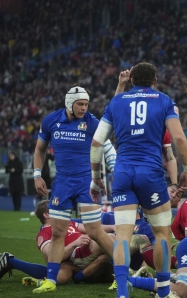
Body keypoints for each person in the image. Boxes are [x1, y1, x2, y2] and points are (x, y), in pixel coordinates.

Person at [90, 62, 187, 298]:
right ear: (155, 81)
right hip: (151, 174)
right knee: (161, 234)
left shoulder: (116, 101)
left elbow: (97, 143)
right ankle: (164, 291)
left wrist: (96, 179)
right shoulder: (165, 100)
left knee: (123, 236)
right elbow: (178, 137)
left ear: (132, 80)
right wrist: (186, 168)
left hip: (123, 174)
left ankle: (123, 291)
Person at [31, 86, 117, 294]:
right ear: (69, 102)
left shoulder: (92, 122)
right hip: (62, 183)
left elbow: (107, 146)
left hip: (86, 183)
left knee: (95, 231)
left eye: (86, 104)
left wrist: (116, 171)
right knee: (58, 232)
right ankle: (51, 280)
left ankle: (123, 273)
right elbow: (39, 149)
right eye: (80, 104)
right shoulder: (51, 120)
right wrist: (36, 174)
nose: (84, 108)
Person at [113, 69, 179, 208]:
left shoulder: (156, 122)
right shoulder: (160, 107)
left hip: (124, 173)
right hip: (148, 175)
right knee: (158, 223)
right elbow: (170, 157)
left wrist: (121, 85)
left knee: (131, 222)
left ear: (132, 81)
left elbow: (117, 107)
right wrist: (175, 183)